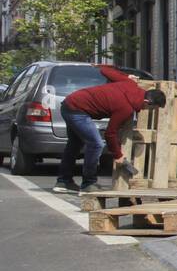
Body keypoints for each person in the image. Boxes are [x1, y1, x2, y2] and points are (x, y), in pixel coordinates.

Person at [54, 65, 166, 195]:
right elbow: (110, 133)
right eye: (152, 109)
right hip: (77, 111)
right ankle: (88, 184)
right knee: (96, 144)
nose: (149, 111)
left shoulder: (128, 82)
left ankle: (63, 182)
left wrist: (126, 76)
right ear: (147, 102)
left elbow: (105, 70)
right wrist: (117, 155)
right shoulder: (125, 108)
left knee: (74, 144)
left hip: (70, 103)